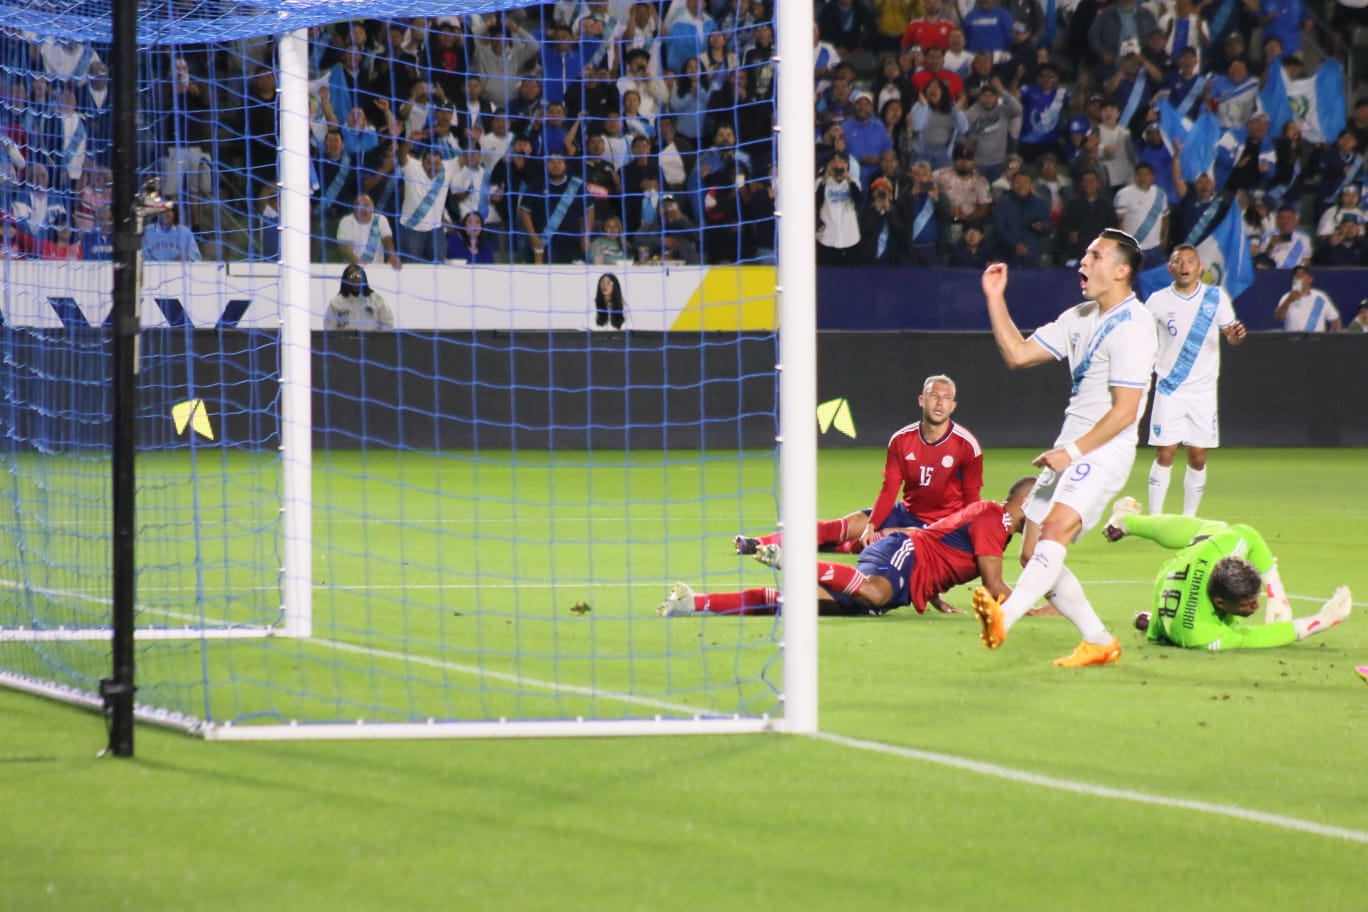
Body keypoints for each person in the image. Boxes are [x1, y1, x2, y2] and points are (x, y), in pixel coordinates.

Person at [973, 229, 1158, 666]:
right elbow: (1018, 355)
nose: (1083, 264)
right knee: (1034, 552)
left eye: (1094, 256)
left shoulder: (1135, 326)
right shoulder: (1079, 316)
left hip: (1103, 448)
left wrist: (1073, 452)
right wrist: (994, 296)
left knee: (1055, 530)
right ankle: (1097, 640)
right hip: (1070, 447)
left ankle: (1006, 616)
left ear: (1121, 270)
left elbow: (1126, 410)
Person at [663, 478, 1035, 617]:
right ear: (1026, 501)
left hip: (905, 567)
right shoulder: (997, 518)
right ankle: (792, 559)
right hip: (900, 554)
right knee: (873, 592)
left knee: (796, 605)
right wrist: (1038, 610)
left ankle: (694, 602)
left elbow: (943, 542)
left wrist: (931, 589)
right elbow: (994, 587)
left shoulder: (991, 519)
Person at [734, 374, 983, 558]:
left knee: (880, 540)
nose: (939, 403)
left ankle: (846, 544)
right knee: (842, 527)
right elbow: (889, 488)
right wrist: (872, 524)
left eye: (946, 398)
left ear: (953, 406)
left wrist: (970, 538)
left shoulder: (967, 446)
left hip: (941, 525)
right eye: (934, 396)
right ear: (921, 400)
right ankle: (758, 543)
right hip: (906, 511)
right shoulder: (901, 440)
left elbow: (972, 499)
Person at [1103, 499, 1352, 650]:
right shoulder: (1203, 636)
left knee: (1215, 530)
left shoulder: (1219, 549)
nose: (1255, 607)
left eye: (1255, 598)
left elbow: (1250, 535)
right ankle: (1154, 620)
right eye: (1247, 604)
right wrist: (1323, 620)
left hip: (1187, 566)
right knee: (1217, 529)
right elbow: (1257, 637)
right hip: (1175, 594)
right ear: (1220, 602)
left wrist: (1277, 595)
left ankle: (1127, 522)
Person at [1142, 245, 1246, 516]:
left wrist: (1237, 335)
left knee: (1197, 456)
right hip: (1170, 387)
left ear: (1200, 267)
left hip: (1203, 391)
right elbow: (1141, 338)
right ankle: (1155, 517)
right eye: (1178, 261)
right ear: (1170, 268)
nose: (1184, 266)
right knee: (1165, 452)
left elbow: (1232, 337)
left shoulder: (1216, 297)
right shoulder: (1157, 301)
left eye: (1190, 261)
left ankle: (1189, 518)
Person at [336, 193, 401, 270]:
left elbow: (387, 240)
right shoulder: (346, 221)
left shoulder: (380, 220)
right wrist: (357, 262)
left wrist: (392, 256)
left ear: (372, 208)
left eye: (366, 205)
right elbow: (344, 246)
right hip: (353, 268)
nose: (363, 209)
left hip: (377, 269)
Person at [324, 264, 393, 331]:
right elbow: (329, 330)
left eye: (358, 277)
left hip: (372, 341)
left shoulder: (377, 300)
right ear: (345, 280)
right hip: (345, 341)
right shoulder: (335, 303)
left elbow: (388, 325)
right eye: (352, 278)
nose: (356, 281)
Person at [1273, 265, 1341, 332]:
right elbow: (1278, 318)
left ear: (1310, 279)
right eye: (1296, 276)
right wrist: (1288, 300)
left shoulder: (1320, 297)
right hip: (1294, 340)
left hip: (1317, 340)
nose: (1298, 278)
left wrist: (1335, 337)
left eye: (1301, 275)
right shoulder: (1286, 297)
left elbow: (1334, 319)